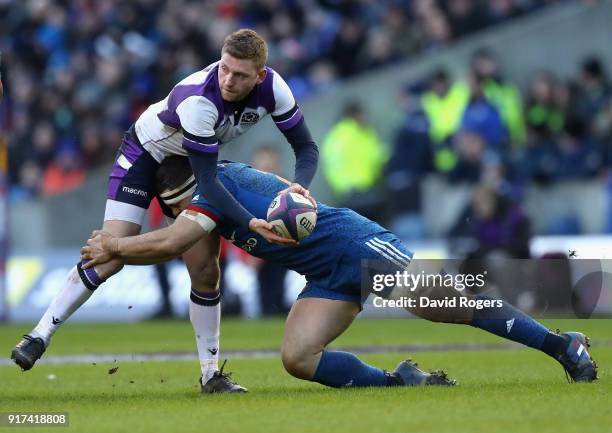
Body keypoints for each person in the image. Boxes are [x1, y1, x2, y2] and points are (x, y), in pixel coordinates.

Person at [81, 157, 597, 389]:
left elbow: (172, 240)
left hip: (356, 243)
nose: (179, 219)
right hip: (326, 275)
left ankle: (562, 345)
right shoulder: (214, 196)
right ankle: (398, 383)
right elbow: (189, 255)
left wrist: (114, 244)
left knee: (454, 307)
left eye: (175, 208)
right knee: (298, 357)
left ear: (184, 196)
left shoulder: (214, 192)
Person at [11, 28, 320, 394]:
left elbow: (306, 147)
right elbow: (208, 184)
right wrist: (250, 221)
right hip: (144, 156)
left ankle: (210, 375)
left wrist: (299, 185)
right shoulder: (199, 103)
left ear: (260, 75)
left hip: (184, 164)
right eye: (224, 68)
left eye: (240, 75)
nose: (228, 80)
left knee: (206, 269)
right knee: (111, 252)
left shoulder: (275, 88)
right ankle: (39, 334)